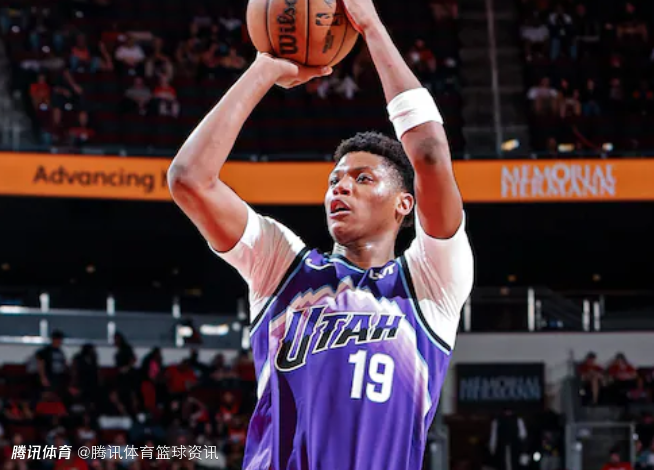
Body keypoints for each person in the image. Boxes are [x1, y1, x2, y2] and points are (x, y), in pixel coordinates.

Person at [167, 0, 474, 468]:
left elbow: (430, 153)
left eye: (363, 179)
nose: (341, 187)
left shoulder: (431, 283)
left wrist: (371, 26)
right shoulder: (282, 268)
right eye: (334, 180)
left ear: (404, 204)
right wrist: (263, 69)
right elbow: (189, 179)